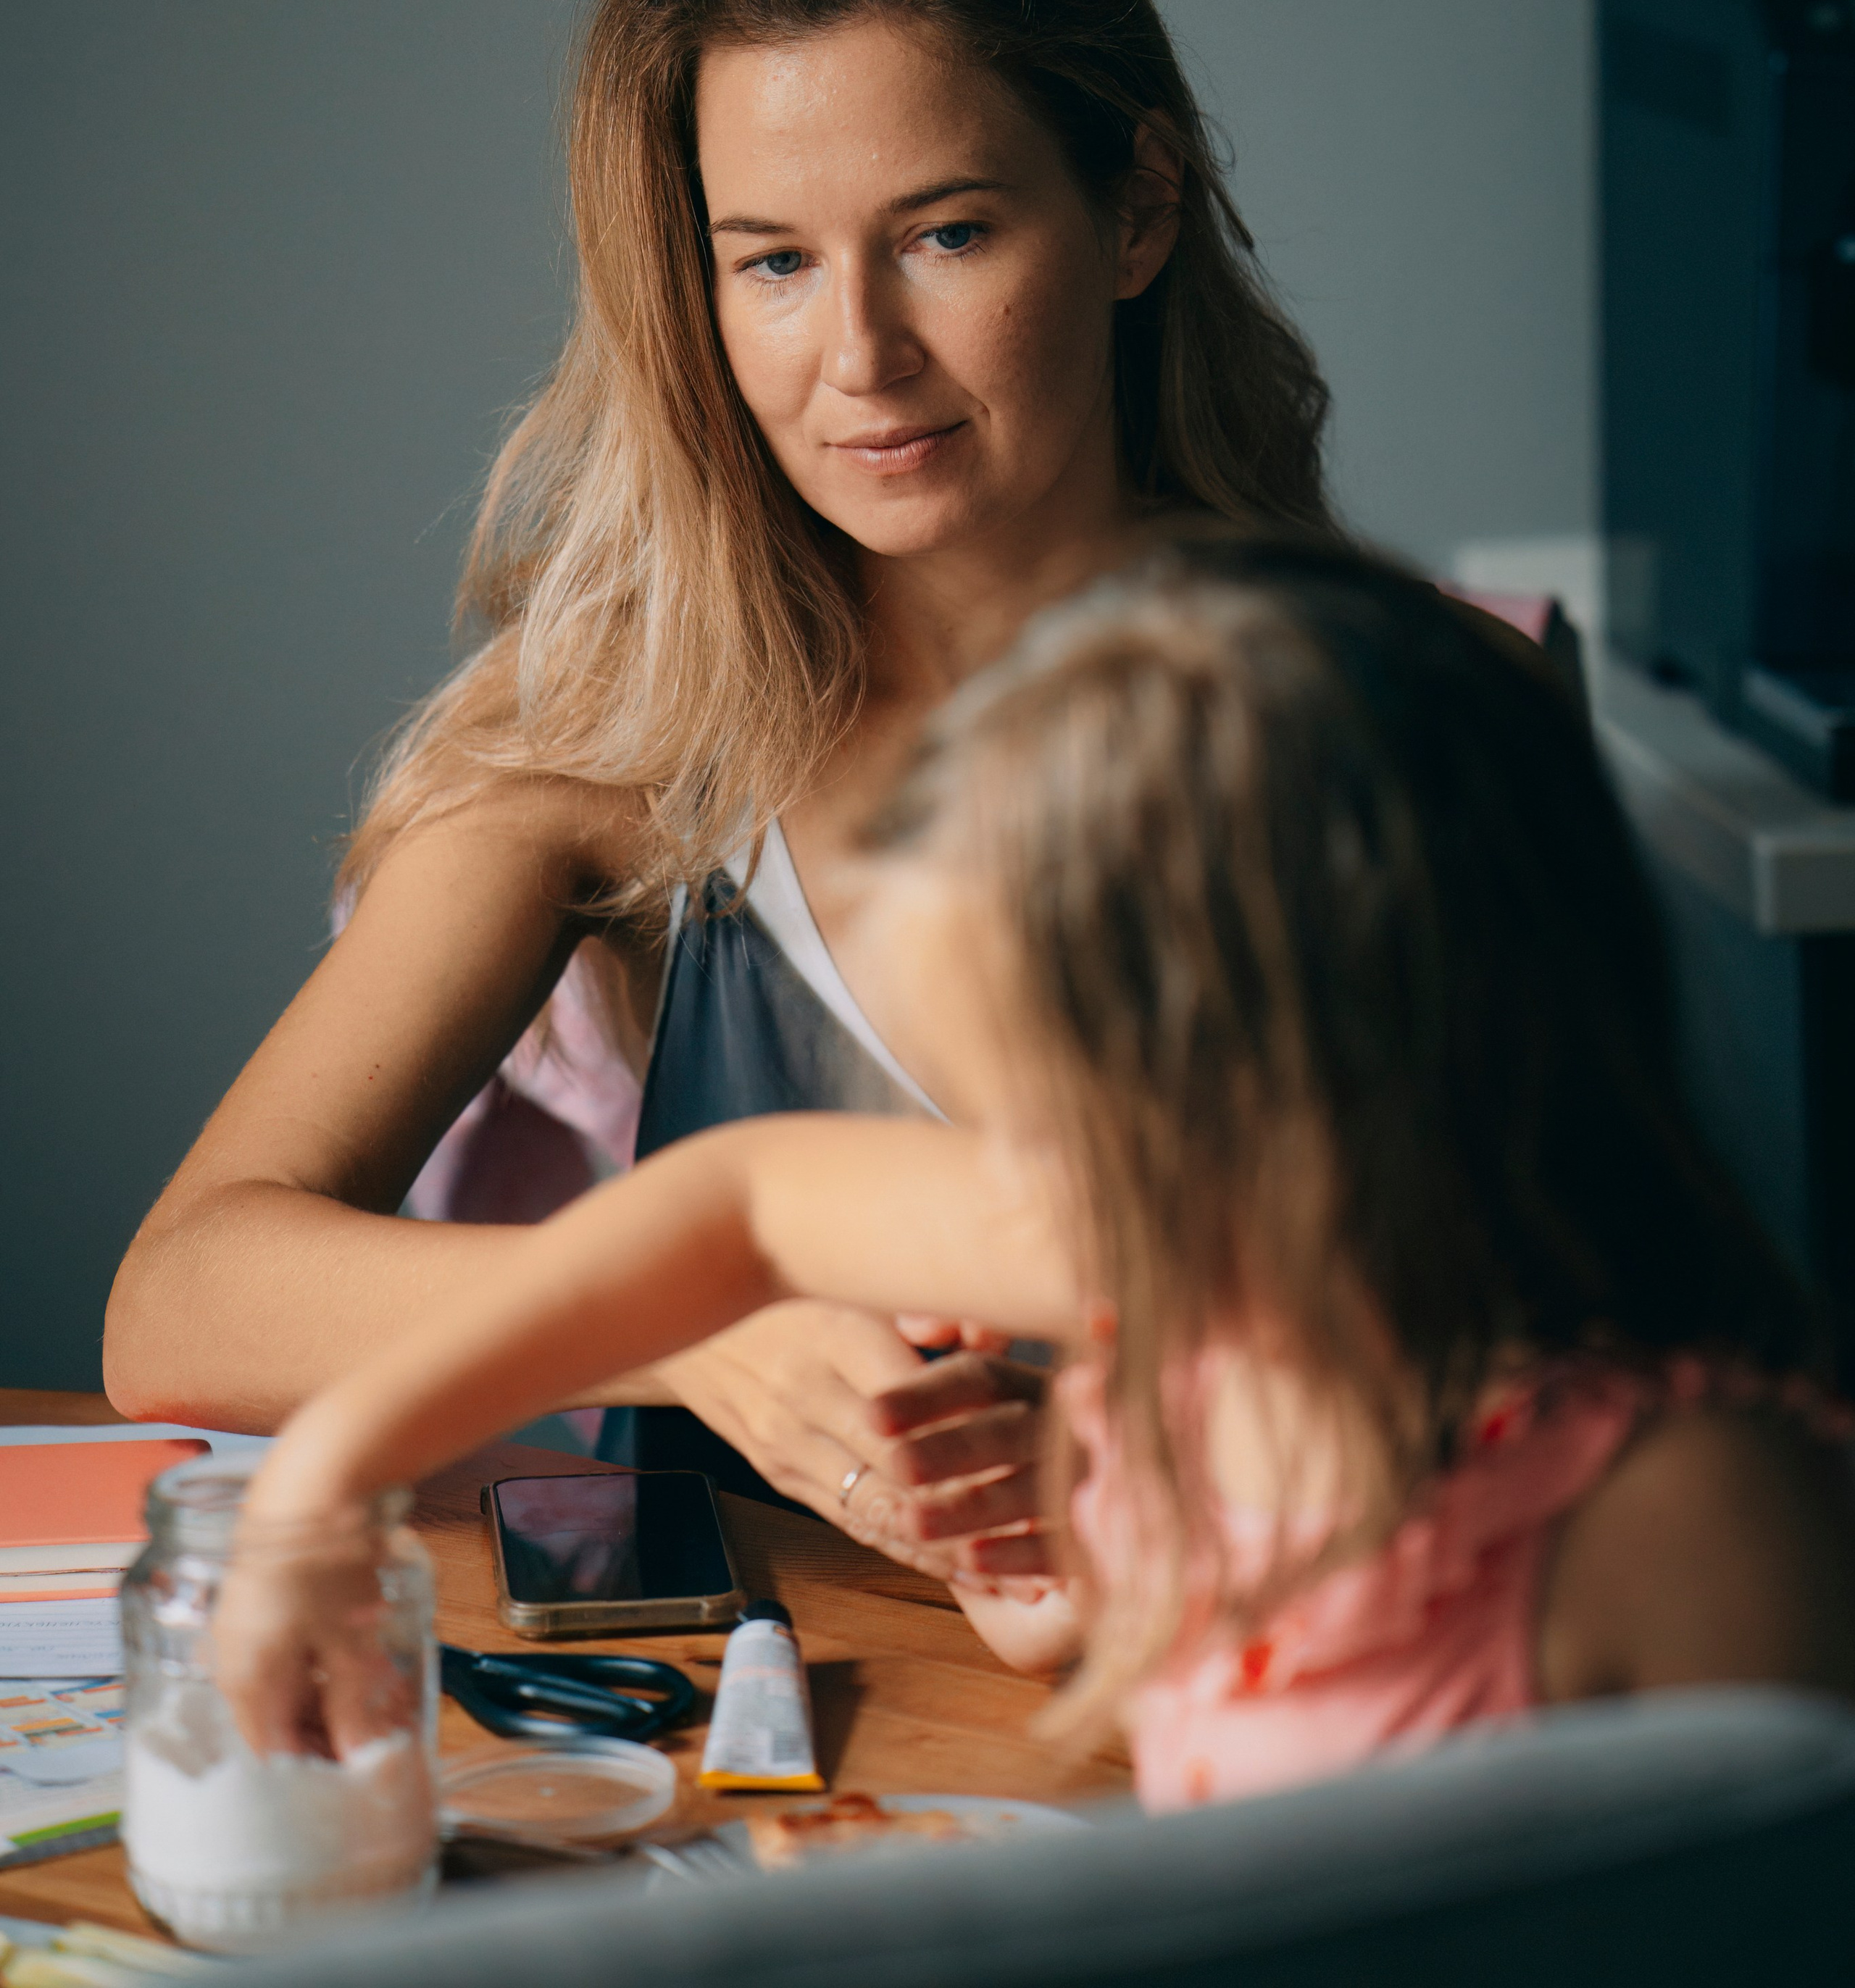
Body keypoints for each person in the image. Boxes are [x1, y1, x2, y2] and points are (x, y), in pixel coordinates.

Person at [104, 0, 1332, 1606]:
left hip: (1272, 1718)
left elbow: (1566, 1354)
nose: (858, 355)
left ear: (1134, 208)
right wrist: (677, 1328)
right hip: (759, 1753)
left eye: (948, 233)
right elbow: (181, 1297)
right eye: (770, 260)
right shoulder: (629, 728)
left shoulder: (1406, 712)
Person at [217, 540, 1855, 1794]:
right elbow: (737, 1205)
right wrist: (315, 1484)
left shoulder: (1691, 1516)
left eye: (1045, 1118)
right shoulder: (1195, 1305)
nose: (994, 1185)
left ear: (1324, 1092)